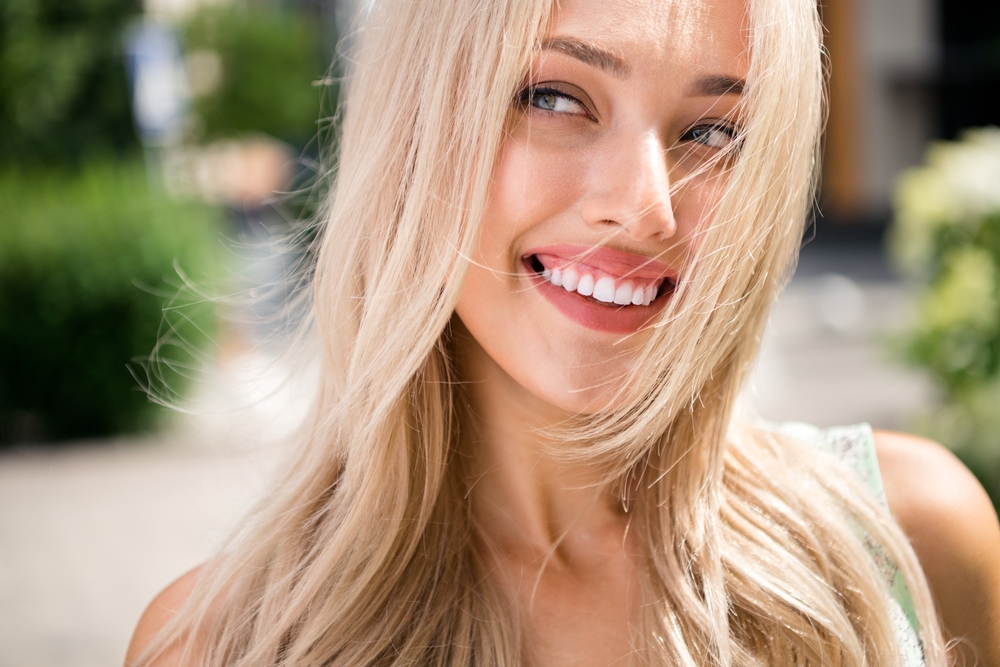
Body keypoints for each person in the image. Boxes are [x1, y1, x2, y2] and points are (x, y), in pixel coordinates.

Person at [126, 0, 1000, 664]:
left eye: (712, 131)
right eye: (554, 96)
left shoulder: (907, 537)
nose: (643, 207)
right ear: (418, 130)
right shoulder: (220, 642)